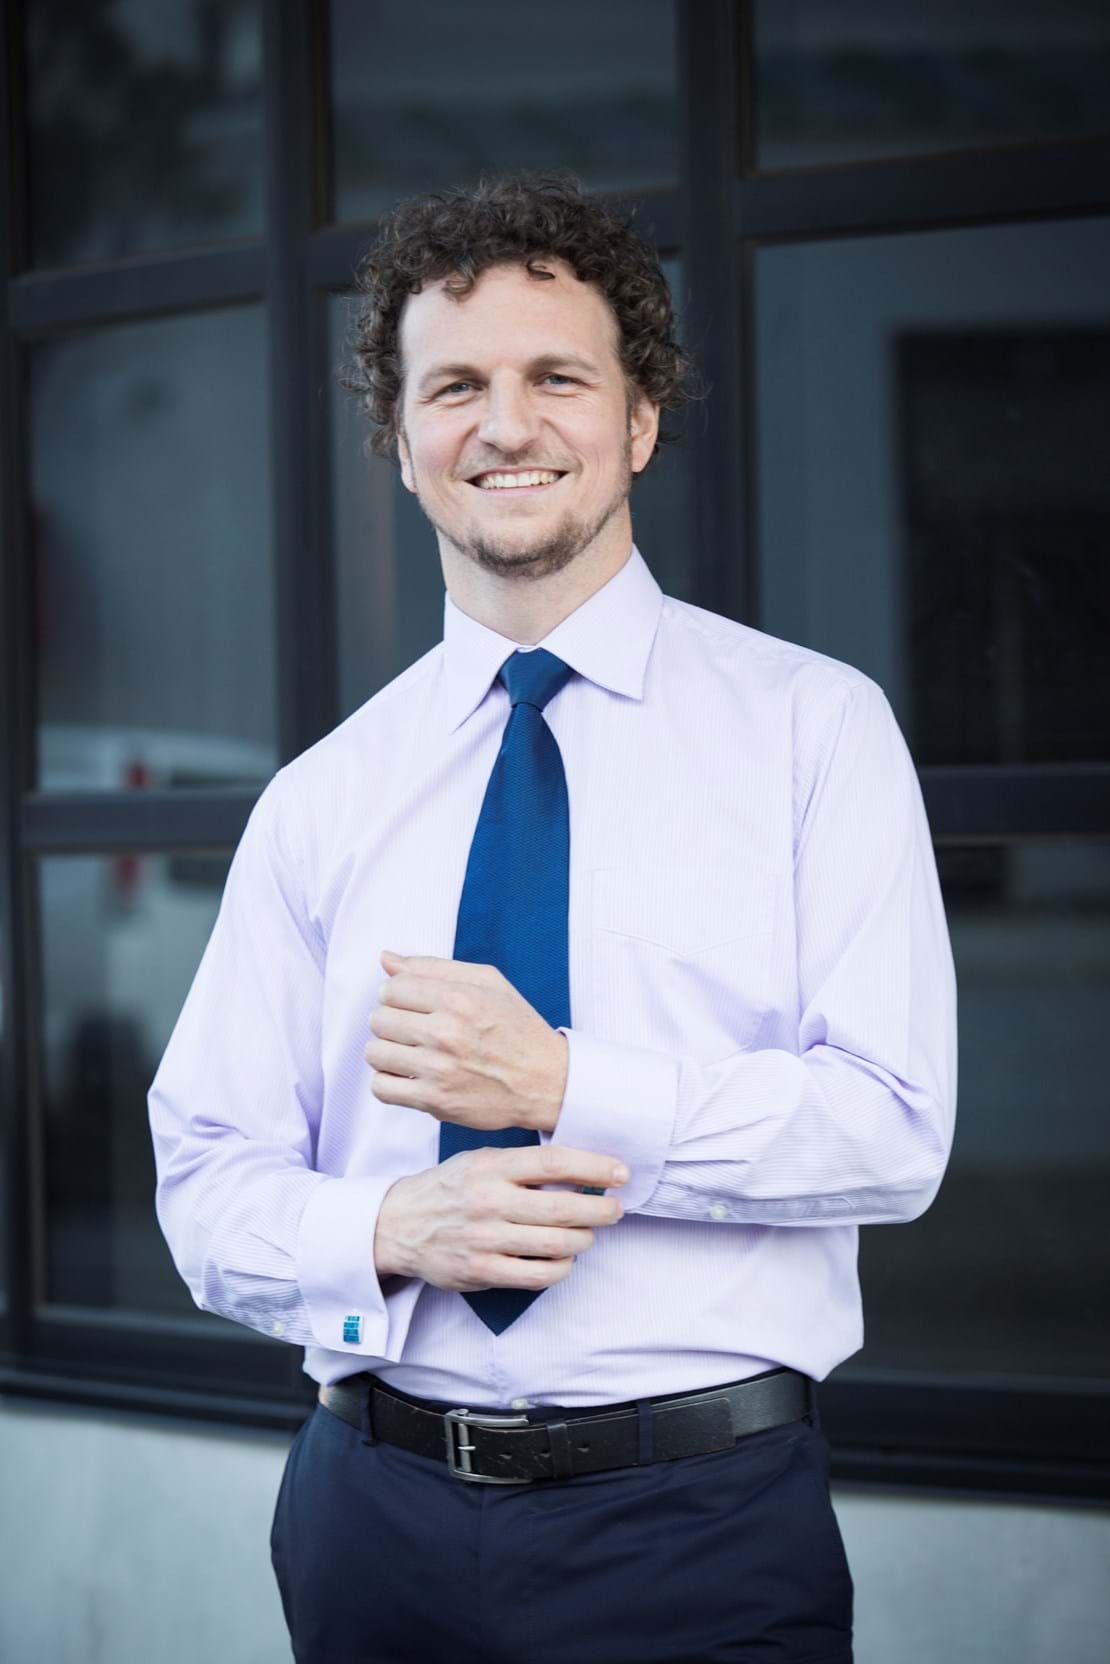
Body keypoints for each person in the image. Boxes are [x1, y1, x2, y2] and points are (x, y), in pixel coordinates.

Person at [148, 170, 957, 1664]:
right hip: (367, 1518)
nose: (504, 424)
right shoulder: (323, 799)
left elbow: (892, 1130)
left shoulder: (811, 732)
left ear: (637, 420)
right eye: (452, 385)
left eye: (555, 377)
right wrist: (388, 1225)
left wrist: (563, 1090)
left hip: (698, 1528)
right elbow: (204, 1179)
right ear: (400, 442)